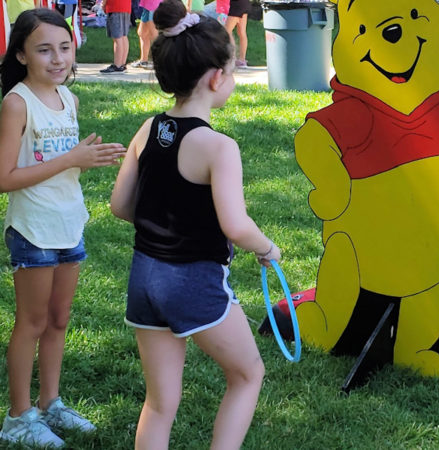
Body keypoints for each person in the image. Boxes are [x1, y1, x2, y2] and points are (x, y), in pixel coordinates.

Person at [110, 0, 279, 448]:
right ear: (215, 77)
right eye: (232, 70)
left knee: (161, 402)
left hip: (144, 279)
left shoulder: (148, 128)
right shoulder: (218, 147)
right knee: (247, 374)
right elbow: (236, 225)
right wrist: (267, 248)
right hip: (192, 284)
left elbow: (119, 205)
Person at [0, 8, 126, 449]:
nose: (58, 59)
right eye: (44, 49)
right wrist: (70, 159)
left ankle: (50, 403)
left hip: (69, 225)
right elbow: (5, 177)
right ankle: (18, 417)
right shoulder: (17, 103)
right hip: (33, 230)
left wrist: (84, 159)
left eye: (65, 48)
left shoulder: (68, 99)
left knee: (58, 319)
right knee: (31, 323)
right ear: (21, 55)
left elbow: (54, 165)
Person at [99, 0, 131, 74]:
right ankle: (122, 64)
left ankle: (117, 65)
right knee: (123, 35)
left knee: (117, 38)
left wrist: (103, 4)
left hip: (115, 6)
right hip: (126, 6)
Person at [130, 0, 160, 69]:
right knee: (142, 33)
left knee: (154, 34)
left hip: (154, 5)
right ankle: (143, 60)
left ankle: (159, 61)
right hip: (147, 5)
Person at [224, 0, 249, 68]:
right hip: (244, 4)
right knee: (242, 32)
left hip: (236, 5)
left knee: (226, 32)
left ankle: (231, 58)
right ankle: (242, 60)